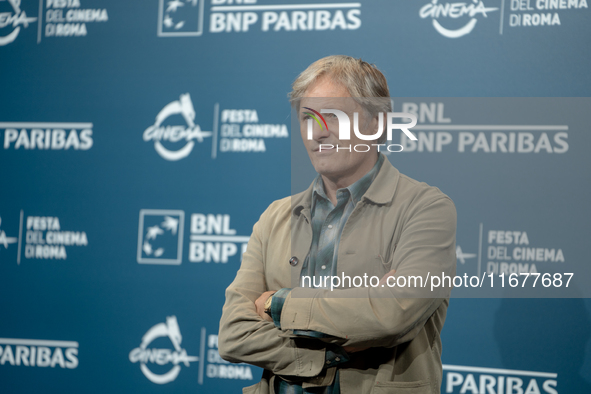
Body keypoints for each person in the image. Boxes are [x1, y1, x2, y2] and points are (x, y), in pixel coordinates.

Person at [218, 55, 457, 394]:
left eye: (333, 115)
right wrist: (332, 350)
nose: (318, 131)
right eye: (307, 117)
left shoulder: (426, 209)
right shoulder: (275, 216)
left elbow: (391, 316)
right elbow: (233, 335)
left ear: (377, 124)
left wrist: (278, 304)